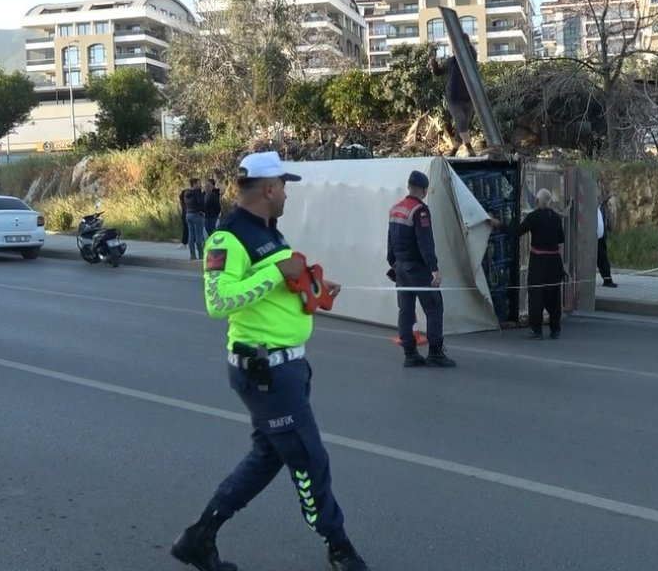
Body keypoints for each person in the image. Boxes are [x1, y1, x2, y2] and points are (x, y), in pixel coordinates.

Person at [171, 151, 370, 571]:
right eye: (285, 187)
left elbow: (279, 281)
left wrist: (312, 284)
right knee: (310, 458)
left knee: (268, 457)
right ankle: (339, 546)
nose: (287, 196)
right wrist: (277, 274)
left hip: (288, 368)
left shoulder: (270, 233)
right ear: (268, 188)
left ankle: (199, 537)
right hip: (265, 371)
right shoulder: (227, 238)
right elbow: (218, 300)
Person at [386, 170, 456, 368]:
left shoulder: (395, 209)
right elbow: (425, 242)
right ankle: (435, 353)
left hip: (400, 268)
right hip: (418, 268)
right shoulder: (420, 211)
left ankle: (410, 353)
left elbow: (389, 242)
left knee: (405, 310)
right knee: (434, 307)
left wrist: (393, 263)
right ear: (424, 190)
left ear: (409, 187)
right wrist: (433, 268)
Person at [517, 189, 567, 339]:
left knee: (536, 295)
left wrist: (499, 226)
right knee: (554, 296)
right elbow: (561, 238)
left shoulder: (533, 217)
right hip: (554, 261)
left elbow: (517, 232)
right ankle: (555, 329)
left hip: (538, 262)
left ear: (538, 201)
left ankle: (537, 330)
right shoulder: (556, 217)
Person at [428, 34, 478, 157]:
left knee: (463, 126)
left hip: (469, 98)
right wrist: (434, 65)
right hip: (454, 98)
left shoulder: (472, 60)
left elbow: (472, 53)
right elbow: (438, 72)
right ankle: (470, 149)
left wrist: (466, 43)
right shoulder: (451, 61)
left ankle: (453, 152)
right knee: (461, 121)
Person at [182, 178, 207, 261]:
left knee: (191, 235)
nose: (199, 184)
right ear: (194, 184)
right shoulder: (197, 191)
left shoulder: (186, 193)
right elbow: (201, 202)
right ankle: (201, 254)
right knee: (199, 235)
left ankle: (192, 255)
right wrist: (203, 211)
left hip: (188, 214)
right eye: (198, 183)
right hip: (197, 214)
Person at [597, 197, 617, 289]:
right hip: (596, 237)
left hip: (600, 236)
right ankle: (607, 279)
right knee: (602, 258)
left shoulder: (602, 208)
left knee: (602, 258)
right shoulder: (597, 208)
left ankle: (607, 279)